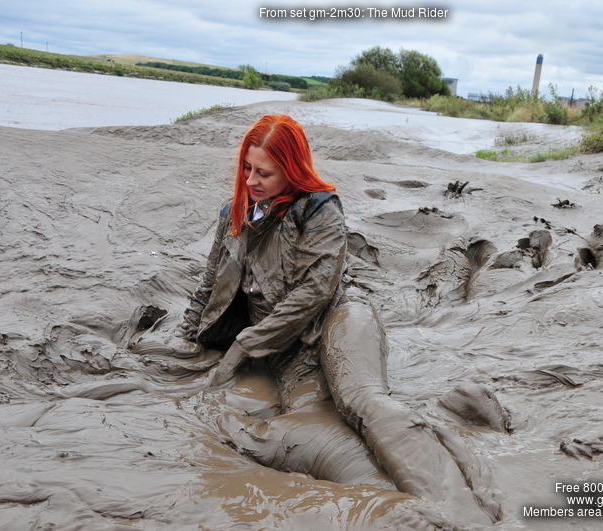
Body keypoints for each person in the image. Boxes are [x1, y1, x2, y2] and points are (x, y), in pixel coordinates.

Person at [180, 114, 500, 527]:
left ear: (291, 170)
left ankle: (459, 511)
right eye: (246, 168)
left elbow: (316, 292)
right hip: (285, 352)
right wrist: (190, 341)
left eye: (264, 172)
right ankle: (411, 510)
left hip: (340, 320)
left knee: (360, 399)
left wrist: (247, 343)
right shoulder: (234, 214)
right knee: (313, 427)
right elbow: (208, 286)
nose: (251, 180)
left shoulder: (319, 209)